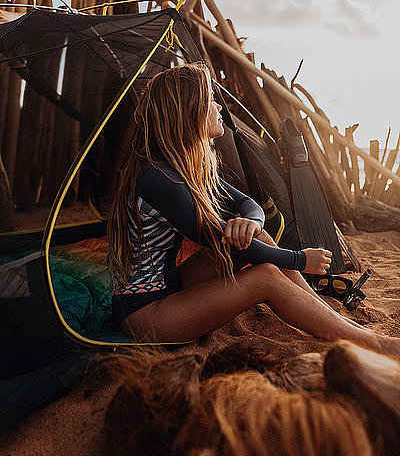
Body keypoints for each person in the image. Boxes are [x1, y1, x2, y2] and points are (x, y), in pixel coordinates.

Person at [107, 62, 398, 356]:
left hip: (170, 285)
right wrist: (299, 259)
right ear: (190, 112)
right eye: (210, 100)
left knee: (259, 239)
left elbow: (249, 204)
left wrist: (249, 222)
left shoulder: (183, 168)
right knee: (265, 278)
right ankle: (371, 344)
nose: (218, 107)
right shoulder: (158, 180)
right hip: (144, 313)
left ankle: (332, 318)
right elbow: (227, 245)